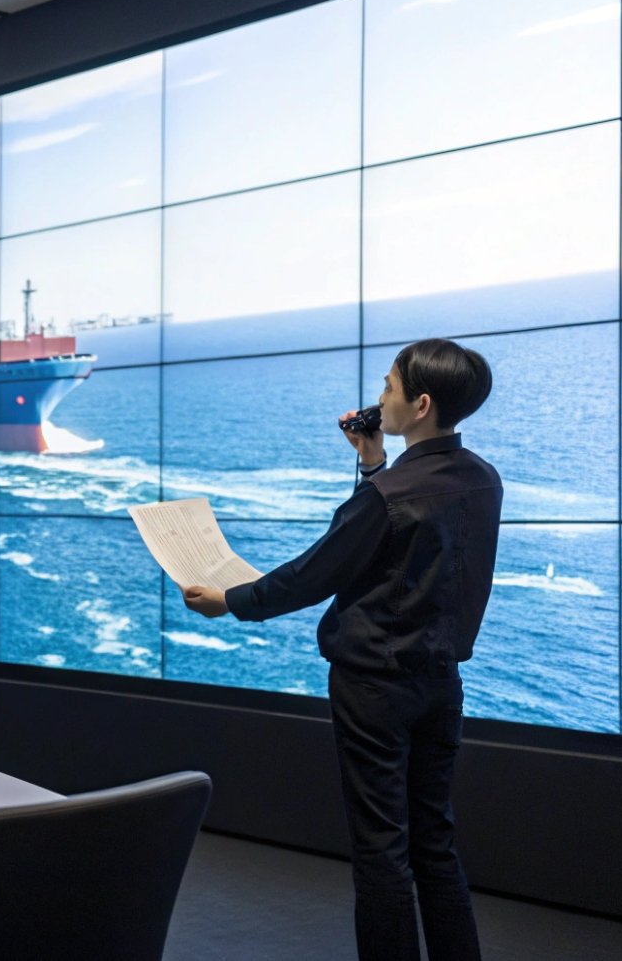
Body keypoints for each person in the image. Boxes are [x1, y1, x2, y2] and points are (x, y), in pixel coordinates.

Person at [181, 338, 501, 961]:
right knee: (433, 843)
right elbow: (415, 545)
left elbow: (313, 574)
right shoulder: (482, 480)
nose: (379, 398)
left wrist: (231, 600)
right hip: (441, 684)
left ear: (421, 403)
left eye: (388, 388)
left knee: (382, 849)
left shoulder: (387, 497)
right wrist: (376, 462)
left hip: (372, 688)